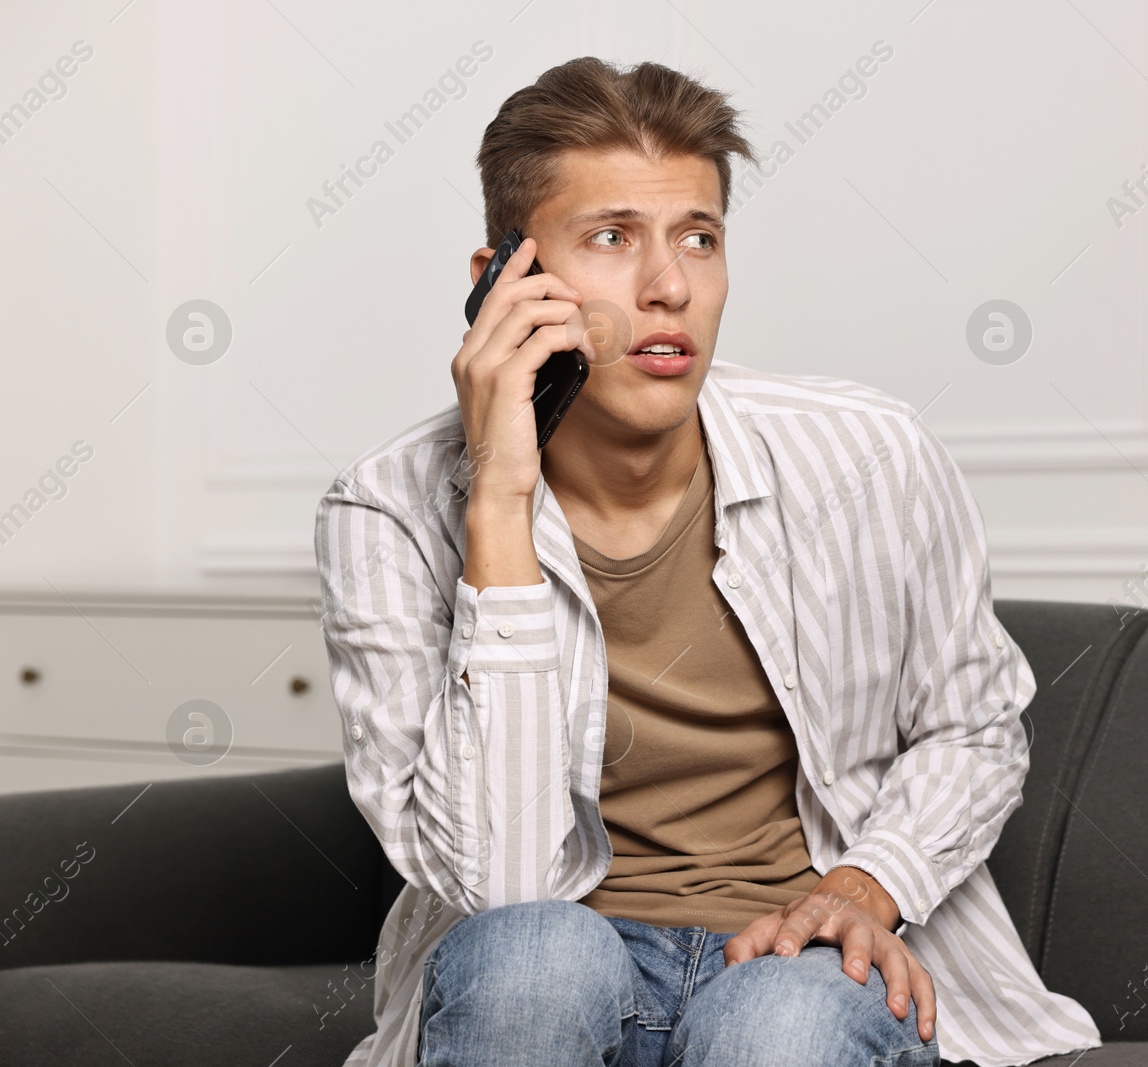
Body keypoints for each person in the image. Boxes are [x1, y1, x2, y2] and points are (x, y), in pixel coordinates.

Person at [314, 55, 1100, 1067]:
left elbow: (973, 725)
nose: (669, 286)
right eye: (610, 239)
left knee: (773, 1025)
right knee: (532, 960)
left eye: (699, 237)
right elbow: (499, 882)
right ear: (502, 282)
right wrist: (499, 502)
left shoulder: (868, 452)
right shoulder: (383, 509)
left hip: (802, 963)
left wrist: (865, 886)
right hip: (559, 963)